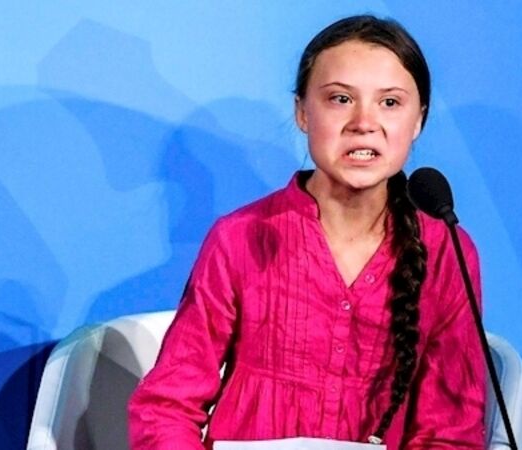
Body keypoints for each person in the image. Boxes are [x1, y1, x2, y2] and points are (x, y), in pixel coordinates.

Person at [128, 14, 486, 449]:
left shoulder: (446, 251)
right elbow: (166, 406)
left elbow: (450, 432)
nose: (364, 122)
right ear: (302, 111)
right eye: (340, 99)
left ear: (418, 120)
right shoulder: (239, 237)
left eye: (390, 102)